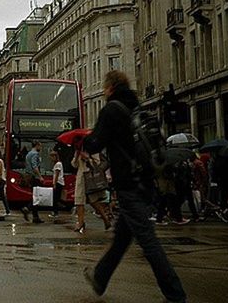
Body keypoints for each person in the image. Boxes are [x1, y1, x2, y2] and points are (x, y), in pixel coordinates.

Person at [82, 70, 186, 303]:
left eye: (105, 87)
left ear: (109, 88)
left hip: (129, 183)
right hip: (146, 182)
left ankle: (175, 294)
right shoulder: (137, 109)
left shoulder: (112, 110)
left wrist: (85, 141)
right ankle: (100, 277)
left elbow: (95, 143)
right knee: (122, 237)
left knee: (148, 241)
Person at [72, 149, 112, 232]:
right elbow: (74, 165)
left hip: (91, 177)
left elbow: (97, 164)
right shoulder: (78, 150)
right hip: (81, 177)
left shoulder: (93, 149)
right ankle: (80, 222)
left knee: (93, 200)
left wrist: (87, 158)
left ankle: (105, 218)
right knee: (79, 199)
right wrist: (76, 157)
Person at [20, 140, 44, 223]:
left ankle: (35, 217)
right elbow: (35, 166)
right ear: (37, 145)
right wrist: (40, 176)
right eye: (40, 146)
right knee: (37, 196)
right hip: (34, 177)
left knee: (35, 195)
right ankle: (27, 208)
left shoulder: (28, 154)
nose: (40, 148)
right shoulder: (35, 154)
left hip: (29, 177)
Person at [50, 150, 64, 220]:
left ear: (55, 156)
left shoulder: (58, 164)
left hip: (58, 182)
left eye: (52, 156)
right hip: (59, 182)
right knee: (56, 198)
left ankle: (55, 212)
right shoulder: (57, 164)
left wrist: (54, 184)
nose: (51, 158)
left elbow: (57, 175)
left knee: (55, 198)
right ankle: (55, 212)